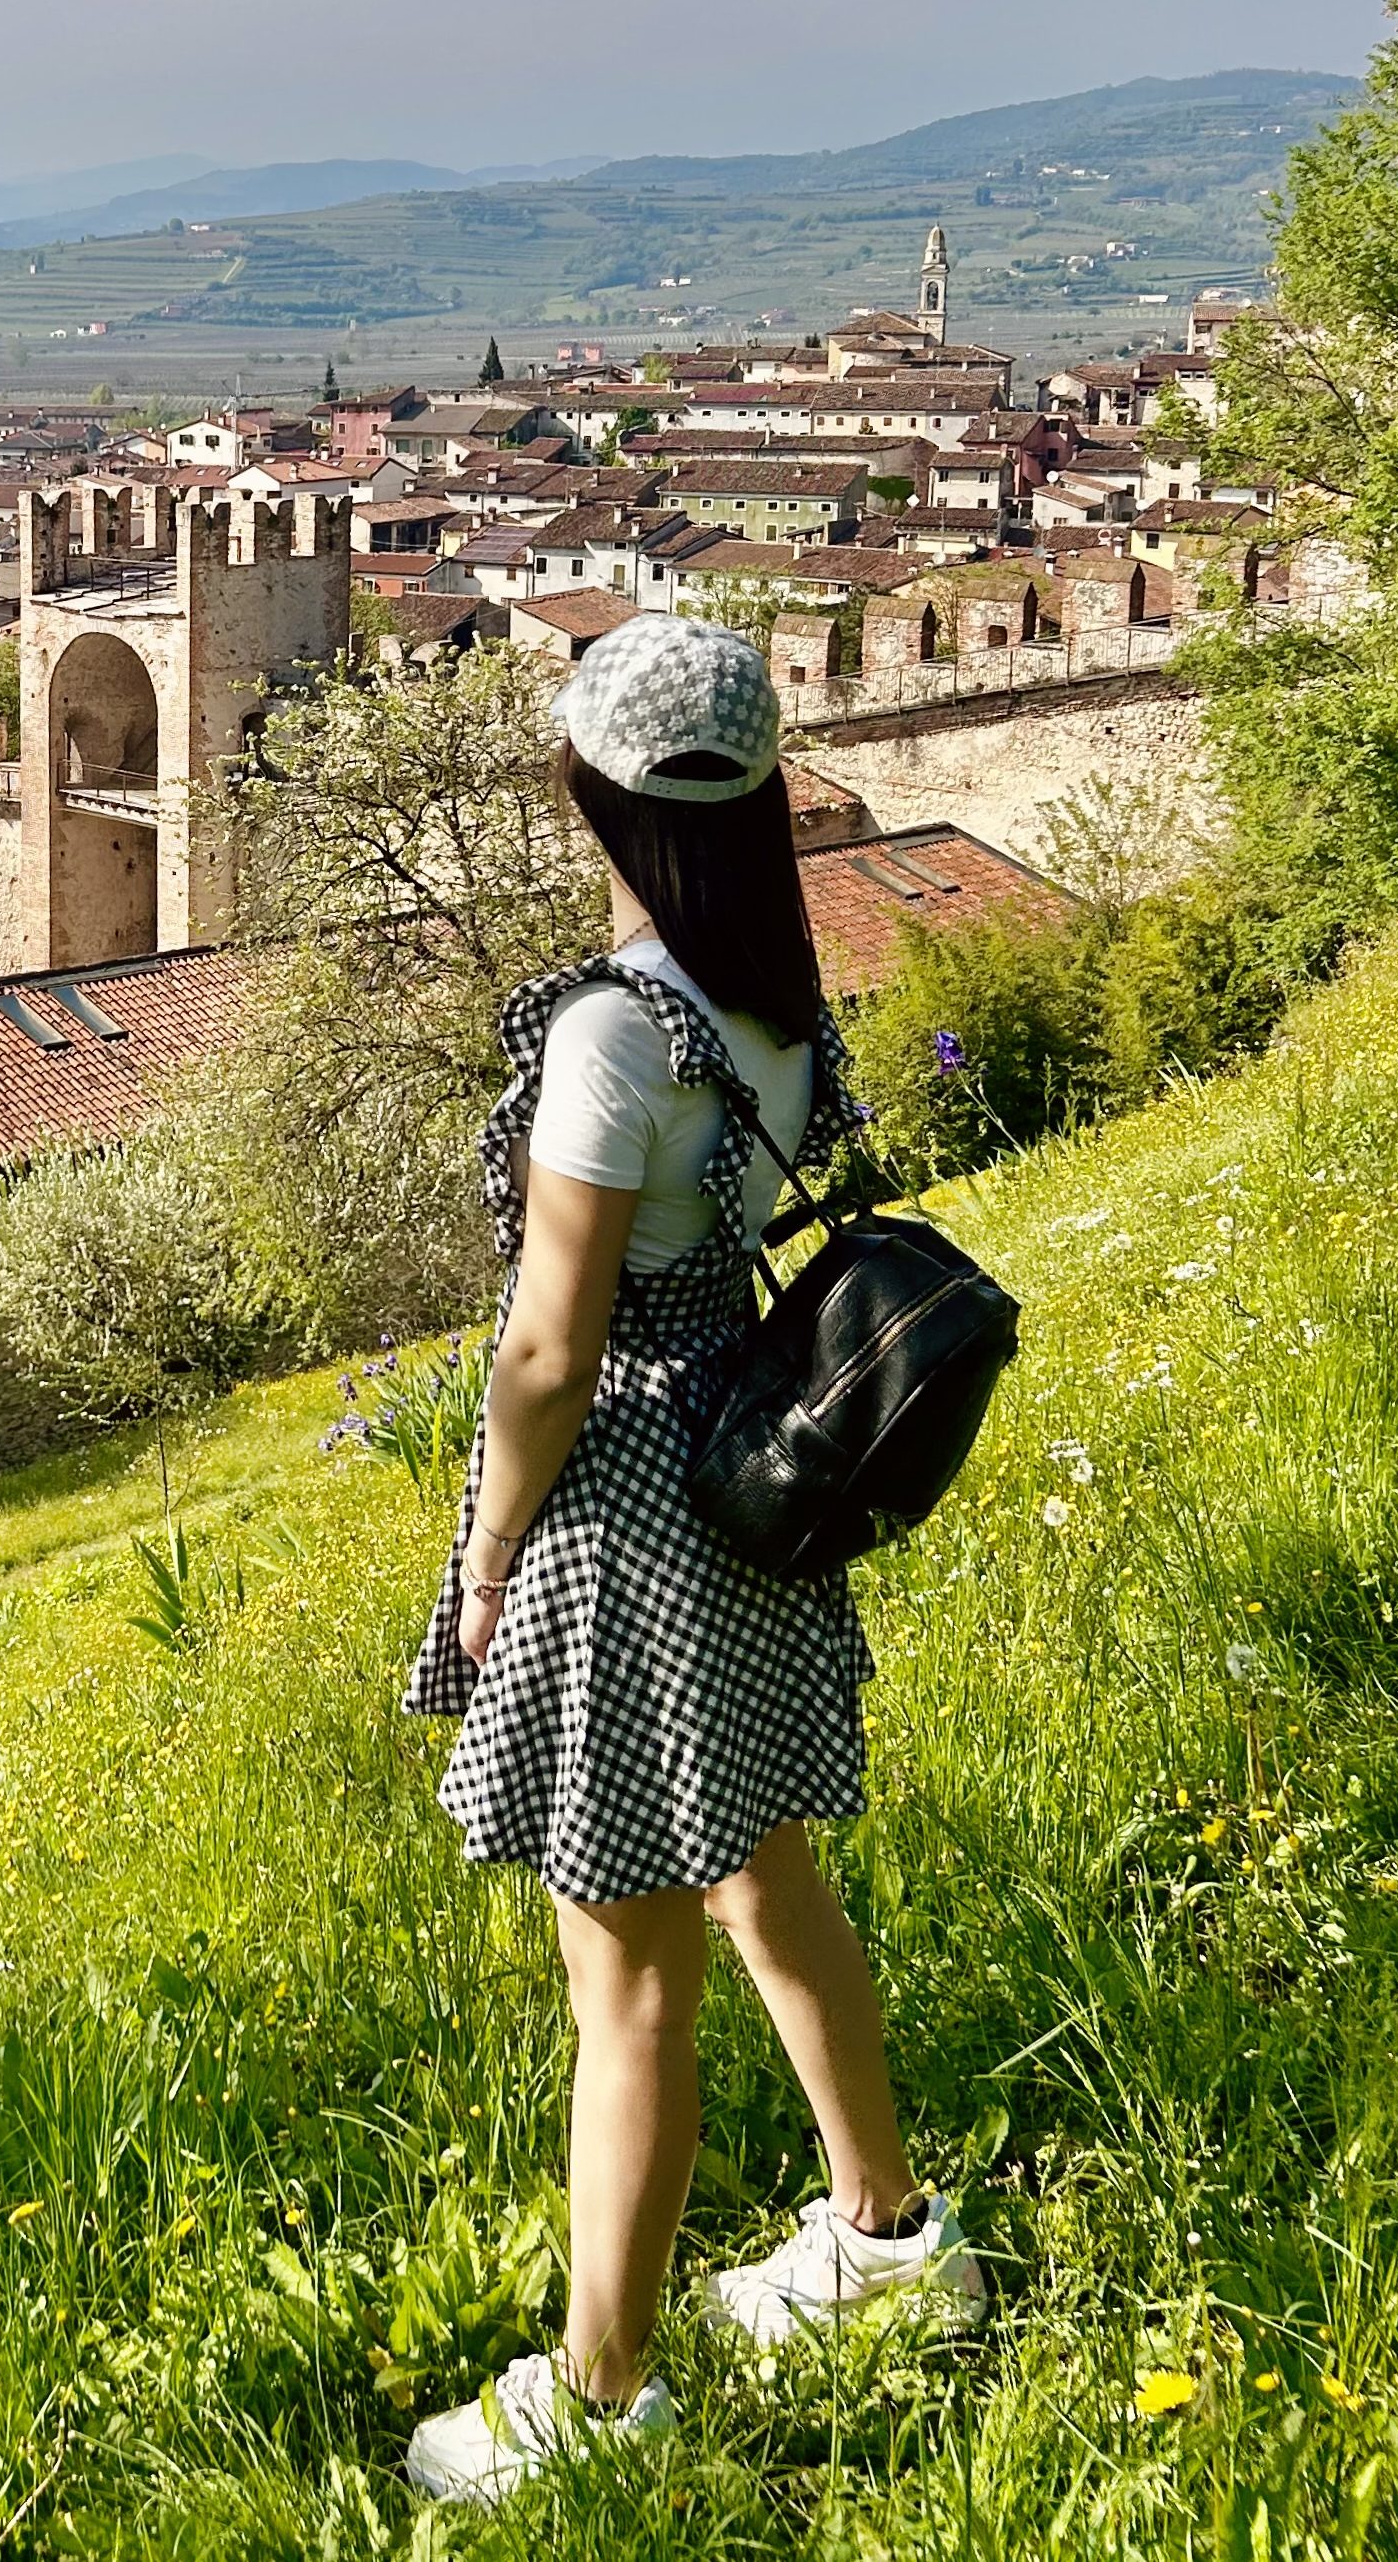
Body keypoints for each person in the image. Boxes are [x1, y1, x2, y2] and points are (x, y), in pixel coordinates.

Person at [401, 616, 984, 2507]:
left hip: (629, 1508)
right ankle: (885, 2233)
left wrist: (485, 1556)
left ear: (592, 795)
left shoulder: (610, 1027)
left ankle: (599, 2386)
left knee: (626, 1967)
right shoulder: (775, 995)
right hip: (756, 1472)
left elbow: (543, 1349)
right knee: (760, 1876)